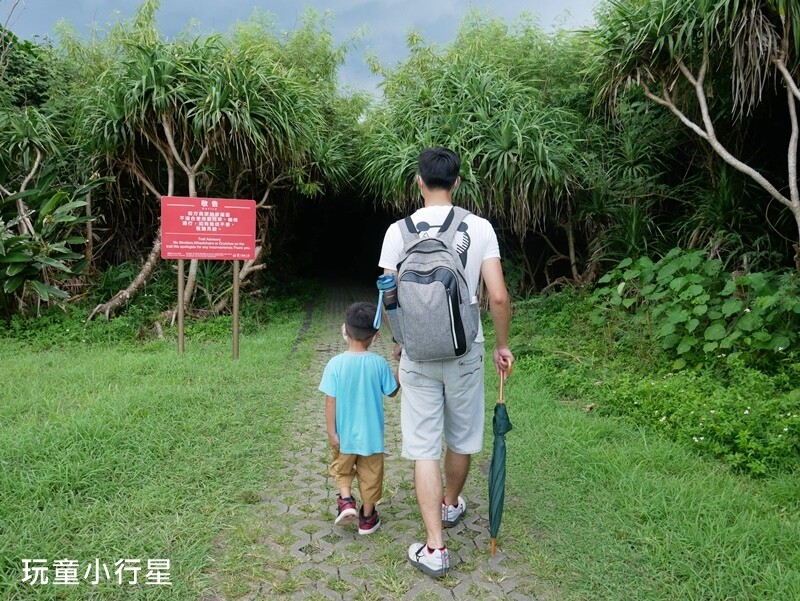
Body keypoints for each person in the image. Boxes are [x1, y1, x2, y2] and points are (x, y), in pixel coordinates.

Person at [378, 146, 513, 577]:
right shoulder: (480, 227)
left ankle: (435, 547)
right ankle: (451, 504)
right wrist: (501, 345)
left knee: (423, 447)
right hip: (465, 352)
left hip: (417, 355)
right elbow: (497, 296)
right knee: (460, 436)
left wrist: (399, 342)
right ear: (457, 182)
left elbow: (388, 293)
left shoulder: (398, 231)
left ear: (418, 181)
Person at [319, 301, 400, 535]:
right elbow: (392, 390)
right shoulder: (378, 363)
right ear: (375, 337)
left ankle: (345, 501)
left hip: (343, 436)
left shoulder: (335, 364)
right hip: (372, 438)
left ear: (344, 330)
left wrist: (331, 432)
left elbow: (330, 400)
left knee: (342, 470)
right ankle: (367, 517)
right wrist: (401, 366)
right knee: (371, 476)